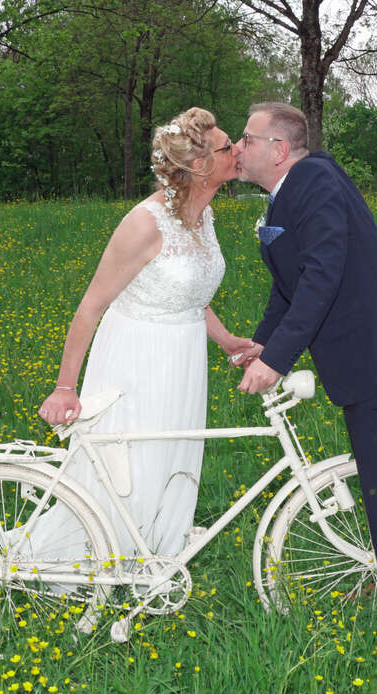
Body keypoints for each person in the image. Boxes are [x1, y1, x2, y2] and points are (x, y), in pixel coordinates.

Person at [232, 102, 377, 666]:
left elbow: (325, 270)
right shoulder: (284, 194)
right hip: (362, 367)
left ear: (278, 148)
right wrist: (261, 343)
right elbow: (289, 284)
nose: (238, 149)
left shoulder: (316, 178)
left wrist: (278, 360)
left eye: (247, 139)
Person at [33, 107, 252, 559]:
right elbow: (91, 305)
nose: (238, 151)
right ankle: (104, 555)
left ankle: (151, 551)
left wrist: (226, 340)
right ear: (199, 165)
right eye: (228, 146)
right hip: (137, 360)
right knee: (130, 462)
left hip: (183, 358)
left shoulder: (203, 216)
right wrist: (63, 388)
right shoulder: (144, 223)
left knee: (169, 456)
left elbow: (187, 294)